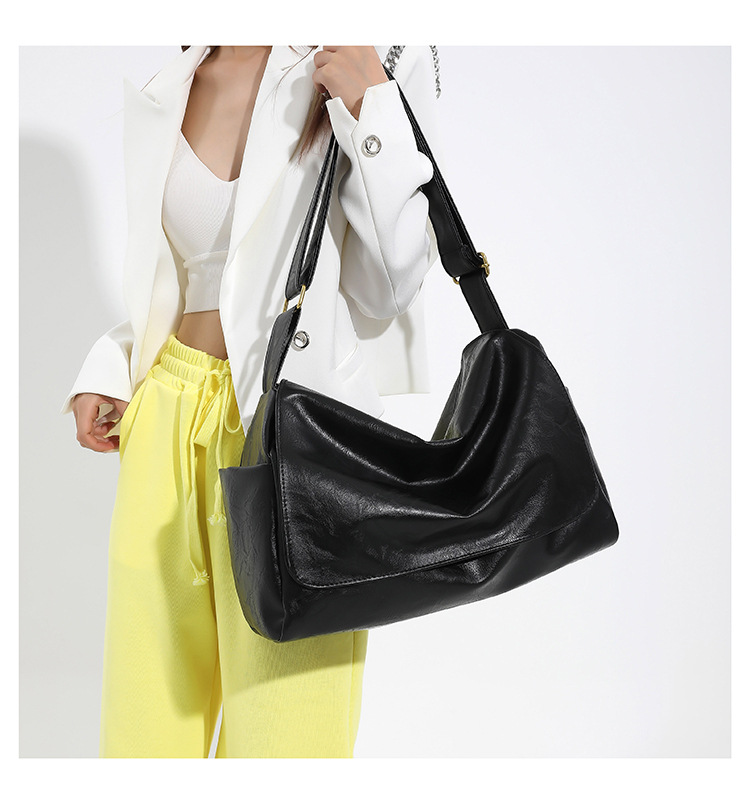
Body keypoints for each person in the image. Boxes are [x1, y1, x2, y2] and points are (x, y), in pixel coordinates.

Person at [61, 45, 442, 758]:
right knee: (143, 742)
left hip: (294, 439)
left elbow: (387, 289)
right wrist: (112, 364)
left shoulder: (356, 54)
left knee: (287, 744)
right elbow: (184, 278)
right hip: (163, 422)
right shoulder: (177, 79)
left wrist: (372, 111)